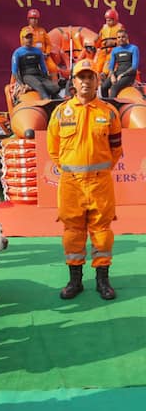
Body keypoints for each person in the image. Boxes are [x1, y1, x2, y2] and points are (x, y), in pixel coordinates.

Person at [47, 58, 122, 301]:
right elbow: (53, 149)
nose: (86, 81)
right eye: (81, 77)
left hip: (100, 183)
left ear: (97, 81)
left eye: (90, 77)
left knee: (102, 230)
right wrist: (72, 171)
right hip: (71, 184)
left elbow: (116, 148)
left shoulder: (108, 112)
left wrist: (98, 171)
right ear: (74, 82)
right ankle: (75, 280)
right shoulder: (60, 112)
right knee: (72, 231)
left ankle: (103, 280)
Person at [11, 29, 61, 100]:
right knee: (38, 85)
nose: (29, 39)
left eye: (30, 37)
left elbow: (43, 67)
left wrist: (46, 78)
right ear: (22, 39)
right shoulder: (18, 53)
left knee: (56, 88)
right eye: (27, 37)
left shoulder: (37, 51)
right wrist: (21, 84)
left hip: (38, 75)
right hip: (26, 76)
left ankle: (55, 97)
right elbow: (14, 71)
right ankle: (46, 99)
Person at [100, 28, 139, 99]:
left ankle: (113, 107)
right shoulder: (115, 50)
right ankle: (106, 105)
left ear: (127, 38)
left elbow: (134, 67)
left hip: (129, 75)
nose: (121, 39)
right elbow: (111, 66)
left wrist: (123, 75)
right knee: (104, 86)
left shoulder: (134, 48)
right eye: (119, 37)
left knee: (114, 88)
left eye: (123, 37)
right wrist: (112, 76)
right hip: (117, 73)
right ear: (117, 39)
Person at [19, 8, 58, 77]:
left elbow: (48, 44)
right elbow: (24, 45)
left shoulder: (42, 30)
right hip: (31, 56)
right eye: (32, 18)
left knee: (53, 68)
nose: (34, 20)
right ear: (28, 19)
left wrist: (47, 53)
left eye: (35, 18)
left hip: (44, 56)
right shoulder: (24, 31)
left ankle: (54, 86)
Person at [94, 8, 124, 75]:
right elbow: (99, 41)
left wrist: (115, 43)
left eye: (110, 20)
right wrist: (96, 41)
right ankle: (97, 75)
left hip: (113, 50)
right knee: (98, 66)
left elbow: (125, 42)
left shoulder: (120, 28)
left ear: (115, 20)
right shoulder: (104, 28)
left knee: (107, 66)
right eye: (107, 20)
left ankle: (105, 75)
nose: (108, 22)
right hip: (103, 50)